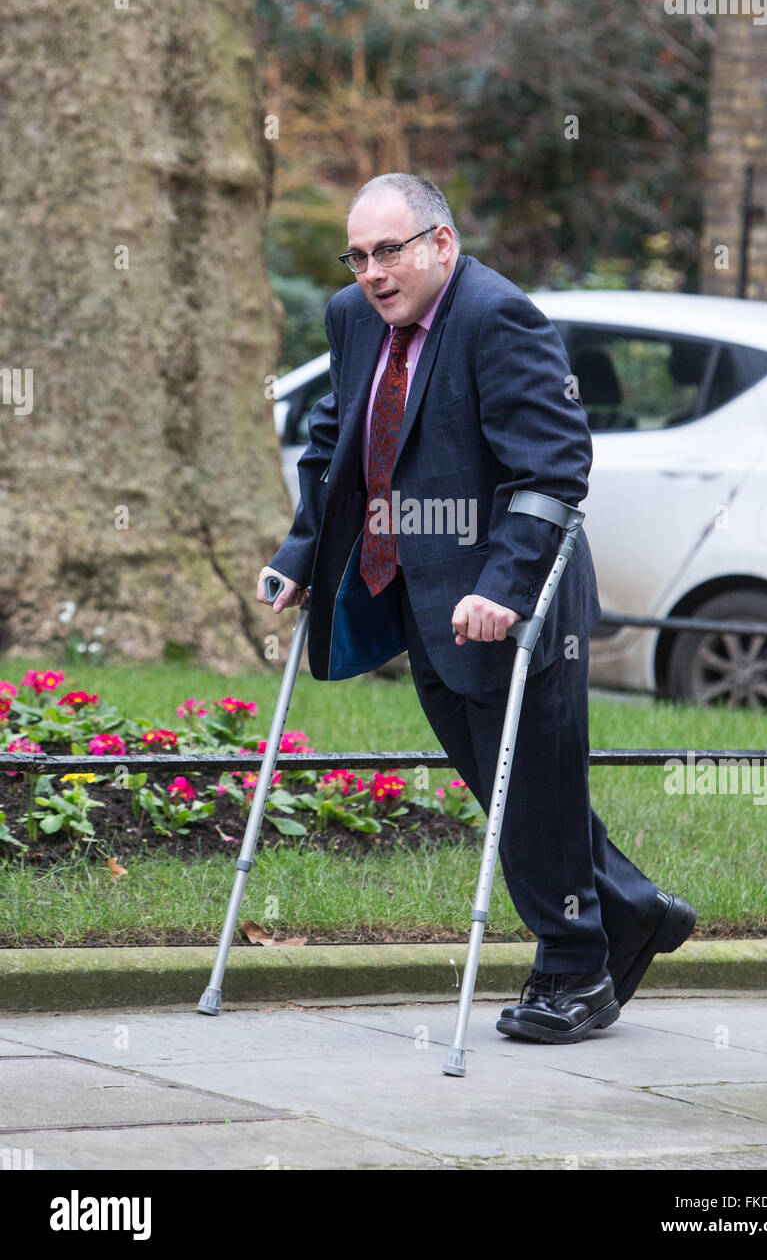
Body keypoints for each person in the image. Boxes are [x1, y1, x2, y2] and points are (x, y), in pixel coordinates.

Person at [257, 172, 696, 1045]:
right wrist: (302, 553)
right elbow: (335, 439)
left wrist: (501, 589)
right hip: (419, 596)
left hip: (515, 601)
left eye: (391, 251)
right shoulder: (354, 318)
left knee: (532, 783)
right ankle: (637, 912)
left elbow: (555, 466)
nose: (373, 272)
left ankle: (575, 971)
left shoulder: (497, 317)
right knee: (510, 789)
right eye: (359, 256)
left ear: (441, 244)